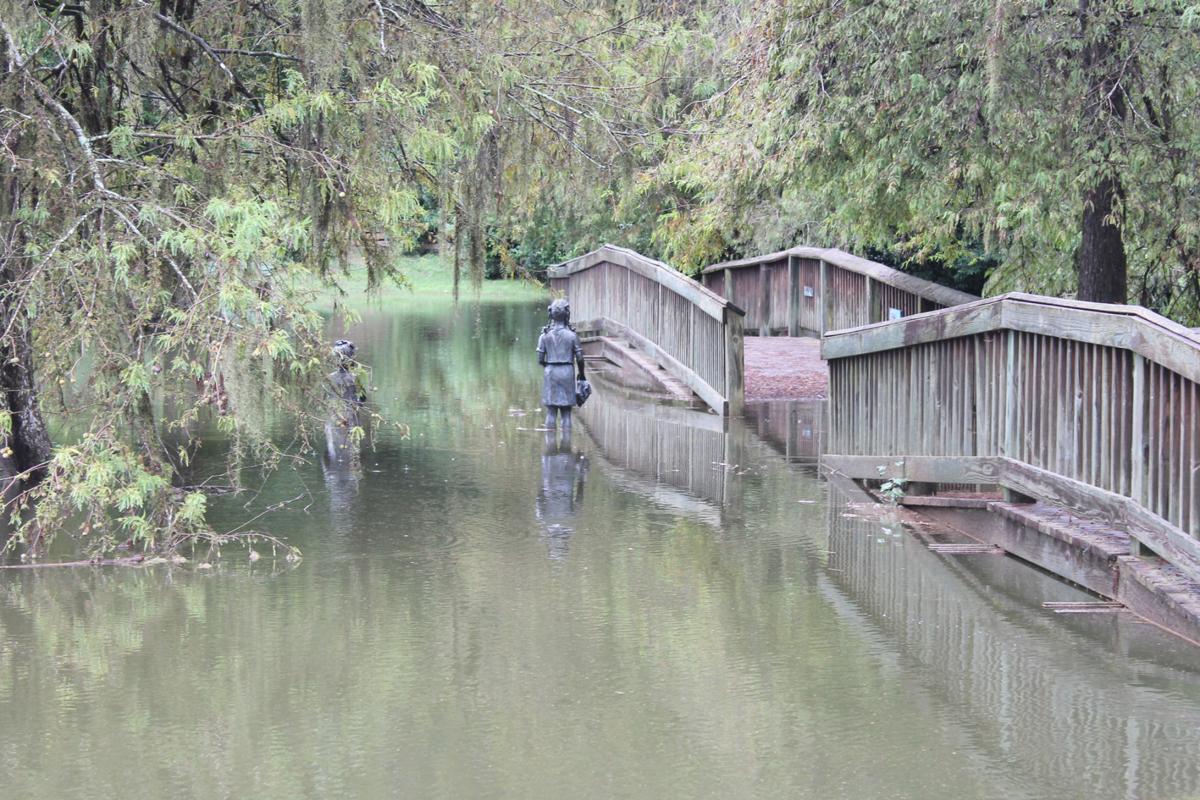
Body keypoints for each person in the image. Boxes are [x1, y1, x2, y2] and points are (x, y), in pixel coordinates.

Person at [536, 299, 586, 432]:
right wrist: (582, 375)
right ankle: (566, 441)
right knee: (566, 412)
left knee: (551, 411)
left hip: (550, 372)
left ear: (551, 314)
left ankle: (550, 440)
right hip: (567, 372)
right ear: (567, 314)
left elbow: (540, 359)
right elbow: (580, 358)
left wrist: (548, 367)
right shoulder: (572, 336)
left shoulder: (544, 336)